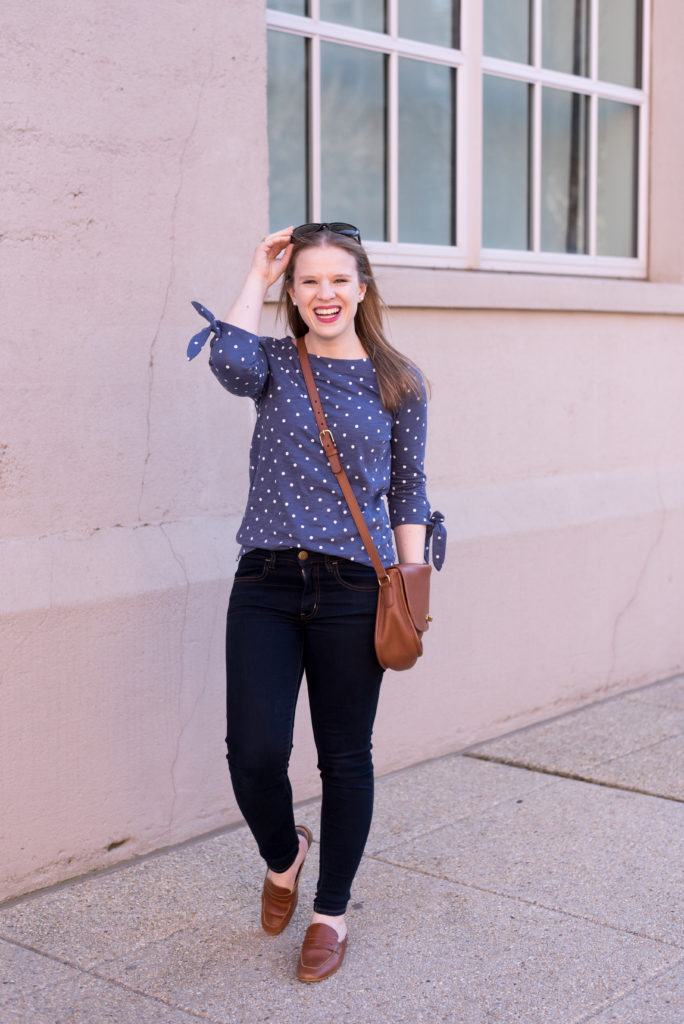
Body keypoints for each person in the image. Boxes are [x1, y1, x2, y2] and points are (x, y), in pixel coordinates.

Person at [187, 222, 445, 982]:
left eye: (339, 279)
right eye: (308, 282)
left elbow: (409, 488)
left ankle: (331, 912)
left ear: (362, 287)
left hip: (354, 590)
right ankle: (283, 852)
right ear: (293, 295)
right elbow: (227, 360)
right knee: (255, 752)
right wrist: (257, 271)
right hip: (265, 581)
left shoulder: (399, 380)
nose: (324, 294)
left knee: (345, 756)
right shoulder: (271, 361)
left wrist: (410, 590)